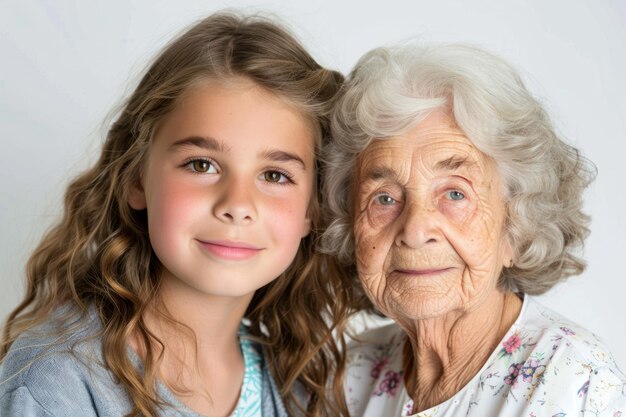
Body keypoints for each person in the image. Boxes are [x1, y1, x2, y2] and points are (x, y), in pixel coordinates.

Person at [0, 12, 353, 417]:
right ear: (136, 177)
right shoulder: (58, 382)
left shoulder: (296, 385)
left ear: (314, 207)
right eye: (202, 165)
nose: (237, 205)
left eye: (275, 175)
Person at [321, 43, 626, 416]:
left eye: (454, 193)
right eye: (384, 198)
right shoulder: (345, 375)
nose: (415, 230)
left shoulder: (573, 380)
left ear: (516, 227)